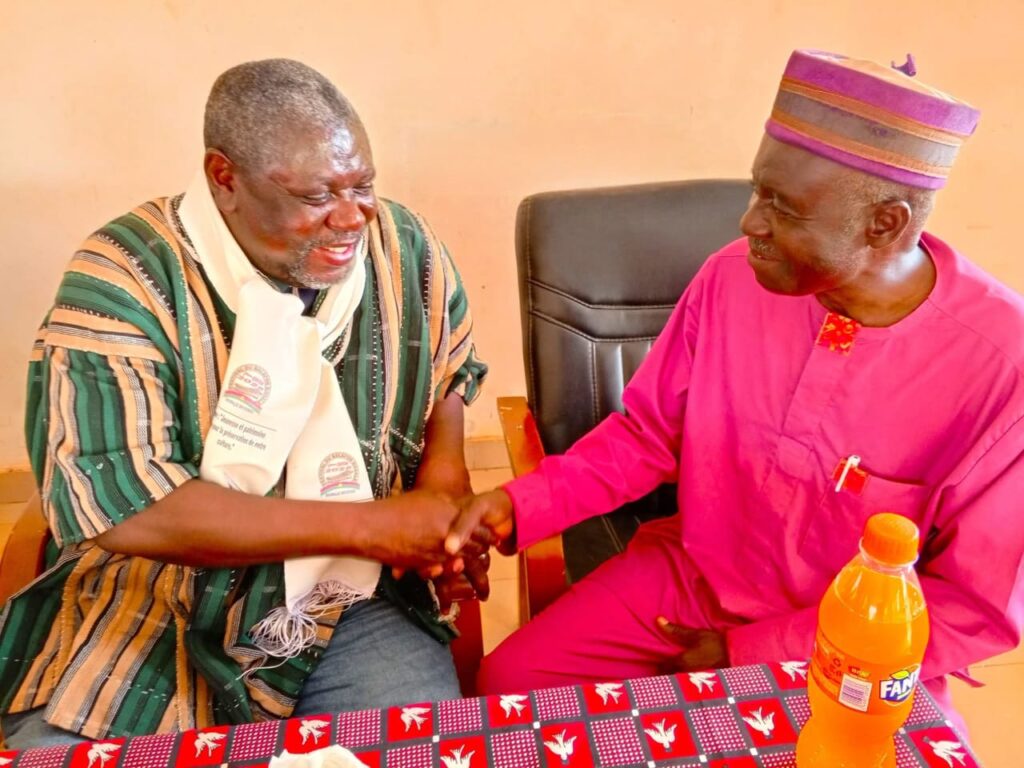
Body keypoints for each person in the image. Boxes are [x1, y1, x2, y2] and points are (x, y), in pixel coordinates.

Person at [454, 49, 1024, 726]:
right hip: (692, 578)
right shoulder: (730, 277)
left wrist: (747, 653)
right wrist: (516, 505)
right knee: (511, 690)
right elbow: (647, 435)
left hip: (860, 639)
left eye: (783, 207)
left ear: (885, 224)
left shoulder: (1003, 366)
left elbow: (971, 607)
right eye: (758, 191)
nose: (749, 222)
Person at [0, 59, 488, 748]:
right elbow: (129, 507)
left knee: (417, 749)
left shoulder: (404, 247)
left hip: (347, 600)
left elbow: (446, 380)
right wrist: (371, 526)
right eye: (316, 195)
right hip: (150, 601)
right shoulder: (123, 280)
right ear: (224, 178)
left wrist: (443, 503)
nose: (352, 217)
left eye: (363, 185)